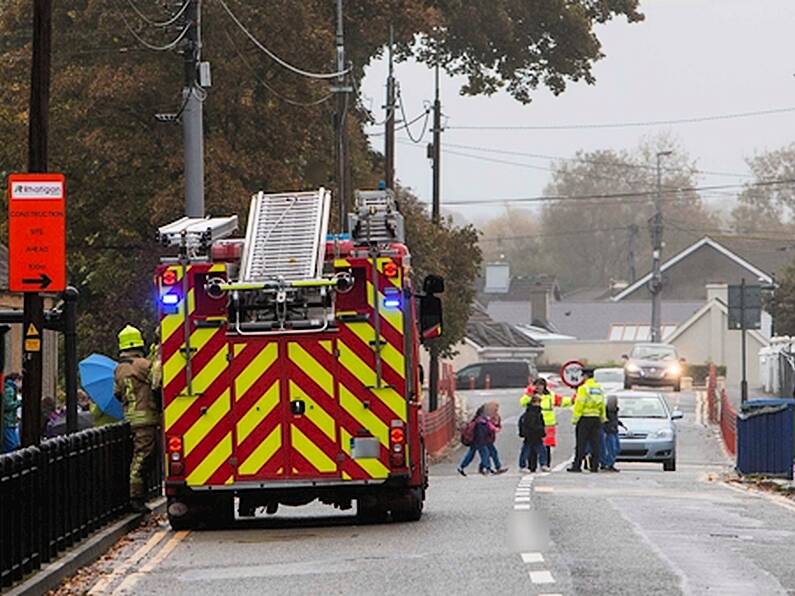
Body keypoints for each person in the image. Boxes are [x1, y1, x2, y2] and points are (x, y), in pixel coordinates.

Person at [115, 325, 160, 513]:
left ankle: (139, 495)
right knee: (142, 458)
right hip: (146, 419)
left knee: (142, 456)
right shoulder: (142, 365)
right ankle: (135, 498)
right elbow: (157, 382)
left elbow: (118, 394)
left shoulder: (119, 369)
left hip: (130, 418)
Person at [567, 367, 606, 473]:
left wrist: (575, 419)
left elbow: (579, 404)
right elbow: (602, 404)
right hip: (596, 418)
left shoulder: (583, 388)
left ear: (585, 376)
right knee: (595, 443)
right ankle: (594, 466)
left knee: (581, 443)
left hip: (585, 418)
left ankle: (577, 465)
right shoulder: (599, 388)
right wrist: (602, 417)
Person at [534, 377, 573, 472]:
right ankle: (532, 465)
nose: (539, 387)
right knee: (533, 444)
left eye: (541, 385)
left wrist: (573, 400)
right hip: (535, 423)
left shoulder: (550, 395)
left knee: (547, 445)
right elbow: (523, 402)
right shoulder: (531, 395)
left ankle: (546, 464)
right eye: (537, 385)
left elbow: (561, 401)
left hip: (548, 423)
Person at [457, 405, 492, 476]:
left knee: (470, 455)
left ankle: (461, 466)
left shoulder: (477, 419)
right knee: (485, 453)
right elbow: (482, 433)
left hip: (475, 441)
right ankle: (487, 468)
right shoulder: (482, 422)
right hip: (480, 441)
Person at [519, 392, 546, 472]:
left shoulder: (536, 412)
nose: (539, 404)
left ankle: (542, 464)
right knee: (527, 450)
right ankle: (523, 465)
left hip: (534, 435)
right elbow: (532, 424)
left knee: (540, 450)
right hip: (531, 435)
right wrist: (540, 430)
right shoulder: (531, 413)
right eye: (537, 402)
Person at [600, 395, 626, 472]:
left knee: (616, 448)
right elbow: (604, 421)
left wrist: (619, 423)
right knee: (611, 448)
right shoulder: (606, 411)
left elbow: (614, 420)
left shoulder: (615, 411)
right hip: (609, 432)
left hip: (614, 431)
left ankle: (609, 463)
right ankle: (607, 464)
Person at [485, 401, 508, 474]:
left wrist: (497, 426)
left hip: (490, 437)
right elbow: (488, 425)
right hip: (485, 437)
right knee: (491, 452)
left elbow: (498, 425)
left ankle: (487, 467)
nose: (496, 410)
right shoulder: (486, 416)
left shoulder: (496, 416)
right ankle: (495, 467)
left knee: (488, 453)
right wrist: (494, 427)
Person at [2, 373, 22, 453]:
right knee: (12, 445)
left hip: (11, 422)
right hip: (8, 422)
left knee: (14, 444)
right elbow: (7, 405)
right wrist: (19, 402)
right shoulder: (9, 389)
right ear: (17, 380)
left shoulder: (9, 388)